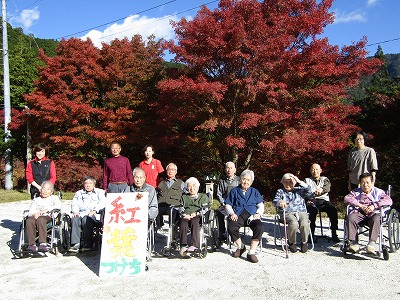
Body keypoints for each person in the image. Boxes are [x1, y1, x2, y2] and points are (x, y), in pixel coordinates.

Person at [344, 172, 392, 254]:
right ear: (360, 183)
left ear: (372, 182)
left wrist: (374, 206)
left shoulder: (379, 192)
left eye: (367, 182)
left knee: (377, 218)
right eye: (362, 182)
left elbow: (389, 201)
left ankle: (371, 245)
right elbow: (346, 198)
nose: (365, 185)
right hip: (360, 213)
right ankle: (354, 243)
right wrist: (360, 205)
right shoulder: (356, 192)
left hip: (374, 213)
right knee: (351, 217)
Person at [225, 169, 264, 263]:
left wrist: (258, 213)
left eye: (248, 180)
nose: (245, 182)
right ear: (240, 179)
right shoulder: (234, 191)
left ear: (251, 182)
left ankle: (251, 252)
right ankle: (241, 247)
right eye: (244, 179)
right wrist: (232, 213)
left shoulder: (255, 191)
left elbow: (261, 205)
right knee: (231, 227)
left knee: (260, 227)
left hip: (252, 215)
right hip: (238, 214)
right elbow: (228, 205)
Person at [273, 173, 312, 253]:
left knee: (305, 223)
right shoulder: (280, 191)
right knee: (294, 223)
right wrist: (280, 202)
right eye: (285, 182)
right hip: (287, 212)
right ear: (282, 182)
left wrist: (299, 181)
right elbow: (275, 201)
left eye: (290, 182)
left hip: (301, 211)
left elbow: (309, 190)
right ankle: (291, 242)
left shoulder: (299, 190)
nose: (287, 184)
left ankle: (304, 242)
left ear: (294, 183)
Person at [69, 176, 106, 252]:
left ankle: (87, 244)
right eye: (86, 183)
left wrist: (95, 210)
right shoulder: (79, 193)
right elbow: (74, 204)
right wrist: (75, 212)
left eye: (90, 183)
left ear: (94, 184)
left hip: (94, 215)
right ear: (83, 184)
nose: (88, 185)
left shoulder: (100, 192)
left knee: (86, 219)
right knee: (75, 219)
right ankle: (75, 243)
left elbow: (103, 203)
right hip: (81, 213)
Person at [305, 163, 340, 243]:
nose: (315, 171)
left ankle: (334, 234)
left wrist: (321, 189)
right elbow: (303, 190)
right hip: (312, 201)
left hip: (323, 201)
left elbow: (327, 187)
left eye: (317, 169)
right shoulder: (307, 180)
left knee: (333, 210)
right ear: (310, 171)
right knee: (311, 211)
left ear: (320, 170)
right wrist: (308, 199)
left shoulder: (325, 179)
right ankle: (311, 234)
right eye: (313, 169)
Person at [25, 181, 62, 252]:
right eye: (43, 189)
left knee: (41, 219)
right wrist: (34, 214)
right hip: (36, 216)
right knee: (29, 220)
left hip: (48, 216)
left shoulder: (54, 198)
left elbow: (58, 206)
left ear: (51, 192)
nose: (45, 191)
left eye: (48, 189)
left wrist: (45, 211)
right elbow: (31, 210)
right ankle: (31, 244)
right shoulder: (36, 200)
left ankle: (42, 243)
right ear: (40, 190)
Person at [179, 177, 211, 257]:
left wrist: (197, 213)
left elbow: (206, 208)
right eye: (189, 186)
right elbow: (180, 207)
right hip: (186, 215)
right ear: (186, 188)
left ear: (198, 187)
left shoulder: (203, 197)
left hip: (198, 216)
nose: (192, 188)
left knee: (195, 221)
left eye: (194, 186)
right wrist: (183, 214)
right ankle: (183, 245)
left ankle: (194, 245)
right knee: (183, 222)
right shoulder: (184, 197)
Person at [216, 161, 240, 242]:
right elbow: (219, 194)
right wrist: (223, 202)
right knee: (218, 212)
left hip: (237, 205)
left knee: (235, 214)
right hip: (225, 204)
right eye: (227, 168)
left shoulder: (239, 180)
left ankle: (234, 234)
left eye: (231, 168)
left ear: (235, 170)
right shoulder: (222, 181)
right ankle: (222, 233)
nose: (229, 170)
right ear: (225, 169)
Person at [156, 163, 184, 230]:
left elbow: (186, 195)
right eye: (169, 170)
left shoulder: (181, 183)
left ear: (176, 172)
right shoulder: (161, 183)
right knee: (154, 211)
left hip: (173, 206)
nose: (171, 171)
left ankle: (173, 230)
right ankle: (158, 228)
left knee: (174, 211)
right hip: (161, 205)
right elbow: (156, 194)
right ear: (166, 171)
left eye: (173, 170)